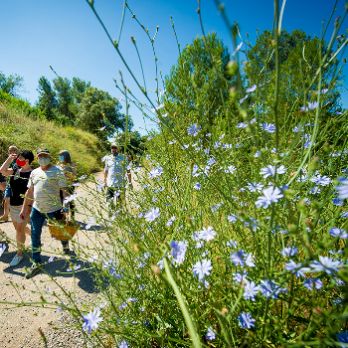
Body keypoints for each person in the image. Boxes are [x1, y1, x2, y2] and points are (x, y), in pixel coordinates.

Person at [20, 148, 70, 279]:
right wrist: (24, 208)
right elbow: (29, 192)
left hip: (55, 209)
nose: (43, 158)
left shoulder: (58, 171)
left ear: (49, 157)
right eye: (40, 156)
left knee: (61, 230)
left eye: (45, 156)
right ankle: (36, 262)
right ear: (37, 158)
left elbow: (64, 190)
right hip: (37, 209)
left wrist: (66, 205)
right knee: (35, 235)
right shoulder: (34, 172)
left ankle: (65, 245)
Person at [0, 150, 34, 266]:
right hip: (13, 206)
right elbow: (2, 171)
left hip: (24, 206)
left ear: (27, 160)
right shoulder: (16, 170)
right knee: (19, 229)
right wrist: (9, 158)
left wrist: (27, 208)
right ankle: (34, 235)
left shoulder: (33, 174)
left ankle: (20, 254)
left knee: (19, 230)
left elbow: (32, 193)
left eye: (20, 158)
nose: (17, 160)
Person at [0, 145, 19, 222]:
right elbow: (3, 170)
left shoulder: (19, 160)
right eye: (10, 151)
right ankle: (5, 215)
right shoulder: (9, 160)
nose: (12, 153)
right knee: (6, 198)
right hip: (9, 183)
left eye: (14, 151)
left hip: (18, 184)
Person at [57, 150, 77, 220]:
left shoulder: (72, 165)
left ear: (66, 156)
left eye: (61, 156)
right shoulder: (59, 164)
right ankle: (63, 217)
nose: (60, 157)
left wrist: (67, 174)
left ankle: (72, 217)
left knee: (70, 201)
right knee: (61, 201)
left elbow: (74, 176)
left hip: (69, 185)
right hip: (60, 185)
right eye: (59, 156)